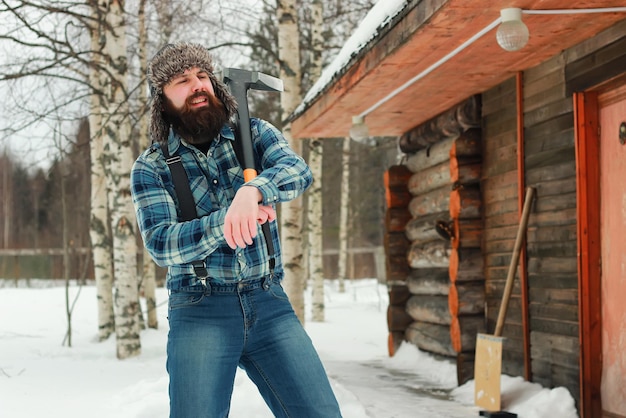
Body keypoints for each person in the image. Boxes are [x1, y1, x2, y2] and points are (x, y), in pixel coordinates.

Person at [130, 42, 342, 418]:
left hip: (269, 303)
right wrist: (227, 220)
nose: (197, 85)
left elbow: (297, 171)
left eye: (202, 76)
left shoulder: (254, 134)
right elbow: (161, 244)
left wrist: (254, 189)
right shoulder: (152, 167)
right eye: (182, 80)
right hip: (200, 310)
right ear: (162, 102)